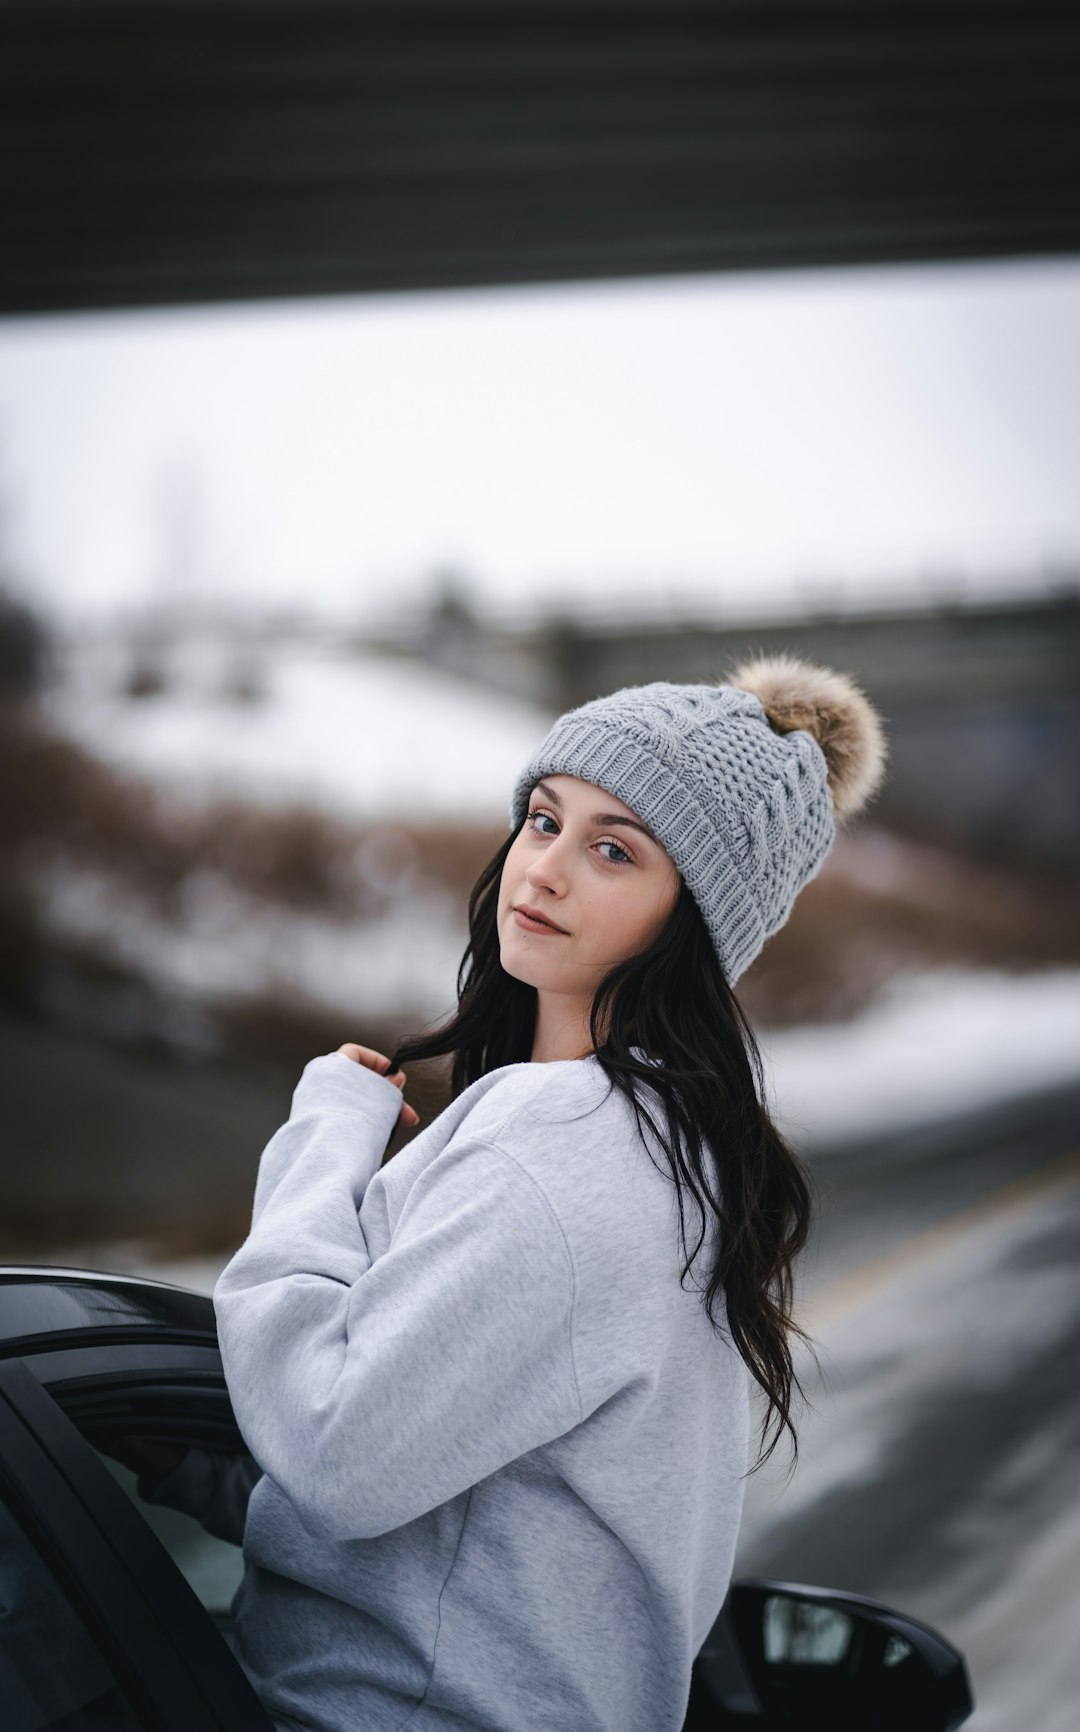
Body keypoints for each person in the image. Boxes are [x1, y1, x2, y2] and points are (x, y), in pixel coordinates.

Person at [142, 654, 886, 1732]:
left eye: (614, 849)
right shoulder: (669, 1154)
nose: (544, 872)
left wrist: (319, 1148)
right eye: (544, 820)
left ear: (698, 915)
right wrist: (191, 1471)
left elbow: (339, 1454)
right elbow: (485, 1516)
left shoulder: (557, 1151)